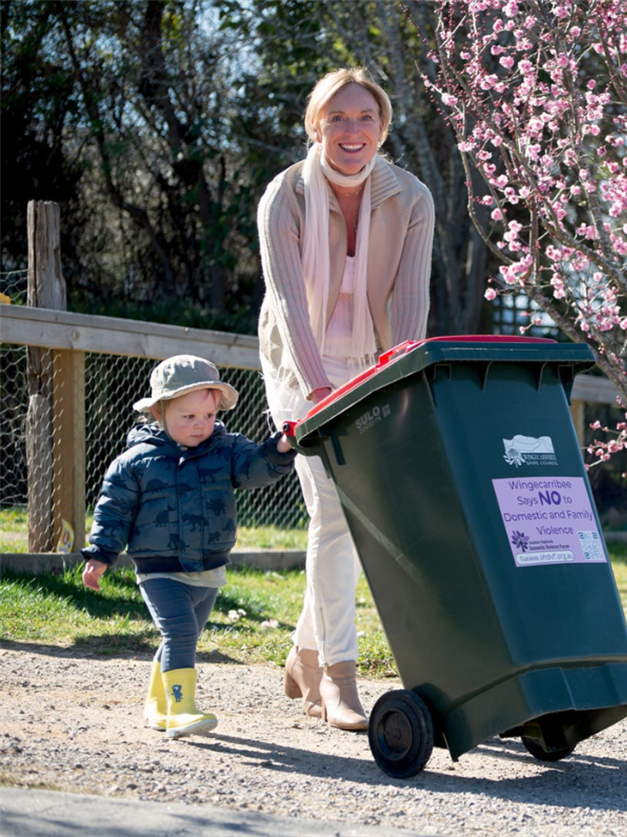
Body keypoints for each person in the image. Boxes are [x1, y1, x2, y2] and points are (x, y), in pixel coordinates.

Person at [257, 68, 433, 730]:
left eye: (365, 118)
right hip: (303, 365)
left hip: (374, 363)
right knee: (335, 509)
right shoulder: (286, 198)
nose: (351, 131)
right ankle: (338, 679)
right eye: (337, 119)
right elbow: (289, 305)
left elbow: (410, 305)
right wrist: (316, 392)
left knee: (355, 517)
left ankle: (306, 651)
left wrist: (400, 382)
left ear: (383, 127)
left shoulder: (411, 198)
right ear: (316, 127)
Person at [81, 355, 298, 739]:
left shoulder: (227, 450)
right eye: (188, 417)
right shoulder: (136, 461)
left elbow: (255, 469)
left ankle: (157, 706)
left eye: (209, 416)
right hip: (159, 567)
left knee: (181, 637)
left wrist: (279, 448)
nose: (201, 425)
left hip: (209, 567)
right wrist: (101, 555)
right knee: (180, 632)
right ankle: (182, 710)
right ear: (159, 413)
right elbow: (113, 511)